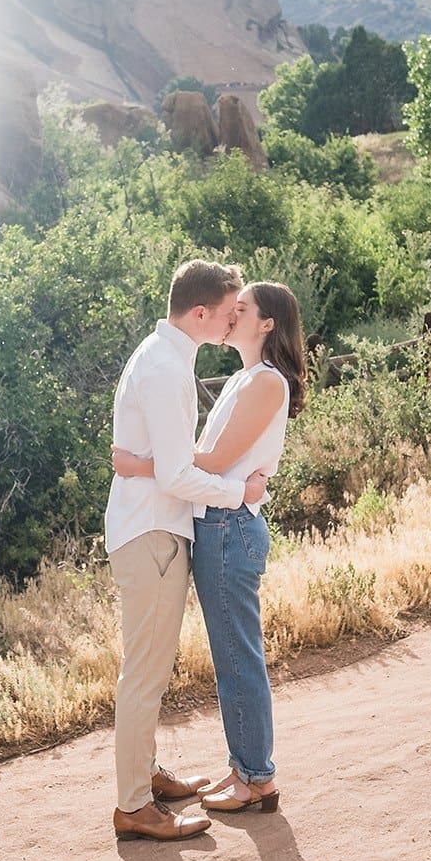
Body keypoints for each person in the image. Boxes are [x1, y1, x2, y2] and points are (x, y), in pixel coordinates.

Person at [114, 281, 306, 815]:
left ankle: (257, 776)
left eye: (242, 309)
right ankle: (245, 768)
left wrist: (142, 465)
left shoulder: (266, 381)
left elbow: (214, 461)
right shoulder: (244, 379)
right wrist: (171, 460)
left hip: (230, 526)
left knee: (239, 657)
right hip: (217, 524)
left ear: (267, 324)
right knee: (231, 657)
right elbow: (201, 455)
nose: (232, 315)